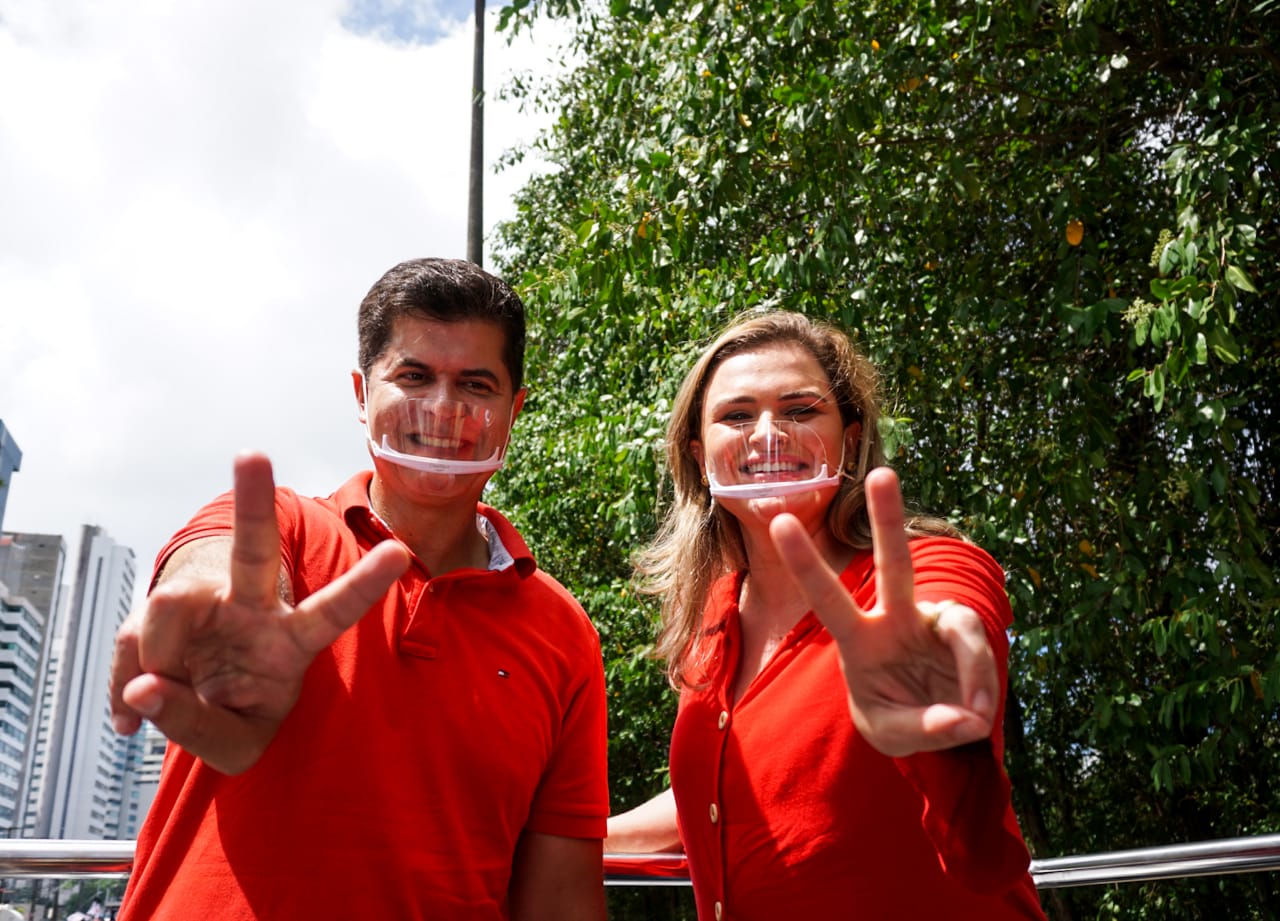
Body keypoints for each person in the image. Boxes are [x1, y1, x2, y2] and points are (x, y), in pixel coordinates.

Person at [109, 258, 609, 921]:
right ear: (360, 392)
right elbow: (213, 569)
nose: (443, 407)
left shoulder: (563, 630)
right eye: (413, 375)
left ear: (513, 410)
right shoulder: (277, 525)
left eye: (476, 383)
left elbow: (561, 899)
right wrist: (213, 622)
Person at [605, 310, 1046, 919]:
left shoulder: (924, 569)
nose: (767, 433)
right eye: (736, 415)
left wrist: (937, 683)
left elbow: (947, 616)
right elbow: (726, 795)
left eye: (800, 409)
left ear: (853, 439)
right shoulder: (712, 616)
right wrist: (565, 837)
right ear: (699, 456)